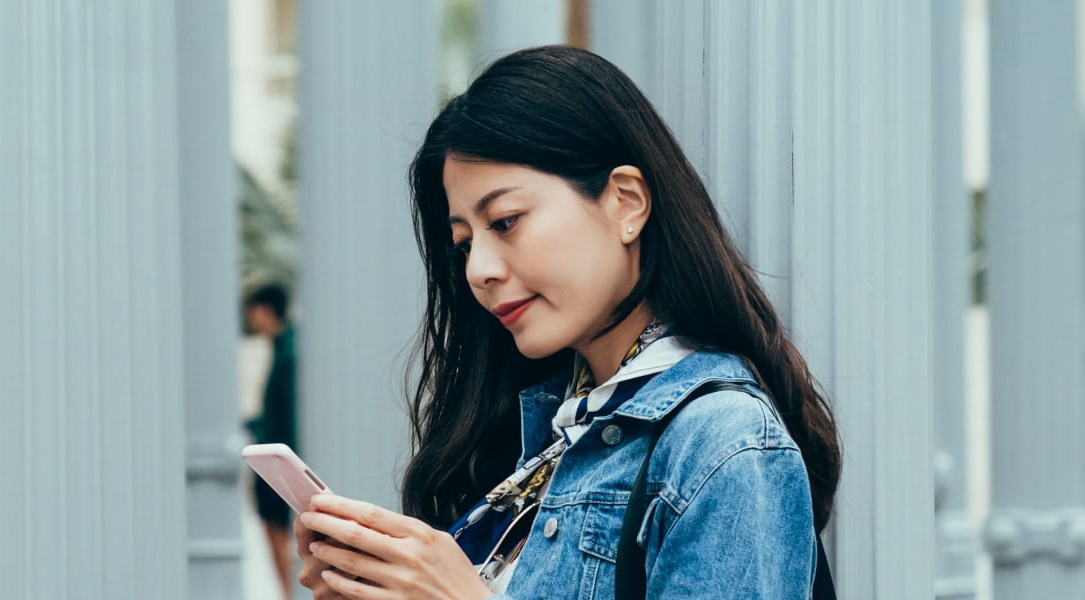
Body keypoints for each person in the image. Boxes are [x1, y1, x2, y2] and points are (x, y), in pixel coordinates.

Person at [292, 46, 841, 599]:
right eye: (464, 244)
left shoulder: (723, 443)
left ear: (625, 203)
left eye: (505, 222)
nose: (479, 269)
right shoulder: (540, 433)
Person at [244, 283, 300, 600]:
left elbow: (288, 417)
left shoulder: (288, 354)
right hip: (277, 463)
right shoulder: (285, 349)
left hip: (279, 468)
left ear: (264, 311)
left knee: (279, 541)